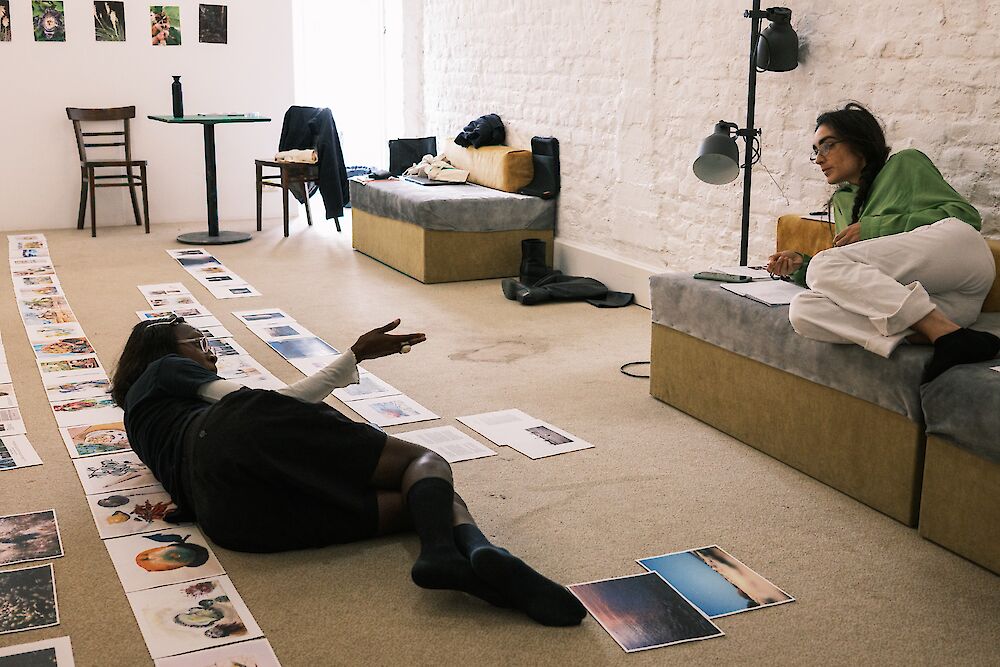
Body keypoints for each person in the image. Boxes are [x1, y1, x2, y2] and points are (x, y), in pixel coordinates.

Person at [111, 316, 585, 627]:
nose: (210, 353)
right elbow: (284, 402)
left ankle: (465, 560)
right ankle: (459, 550)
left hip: (227, 518)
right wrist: (355, 354)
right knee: (424, 463)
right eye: (199, 343)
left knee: (421, 502)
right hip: (232, 436)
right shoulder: (165, 368)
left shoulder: (137, 418)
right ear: (163, 351)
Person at [767, 102, 999, 381]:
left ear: (859, 142)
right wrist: (800, 266)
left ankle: (939, 333)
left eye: (827, 145)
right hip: (940, 303)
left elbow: (966, 217)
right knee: (803, 311)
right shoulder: (843, 201)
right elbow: (856, 280)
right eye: (815, 151)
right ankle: (945, 334)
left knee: (823, 265)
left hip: (962, 259)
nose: (819, 158)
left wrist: (873, 227)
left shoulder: (906, 163)